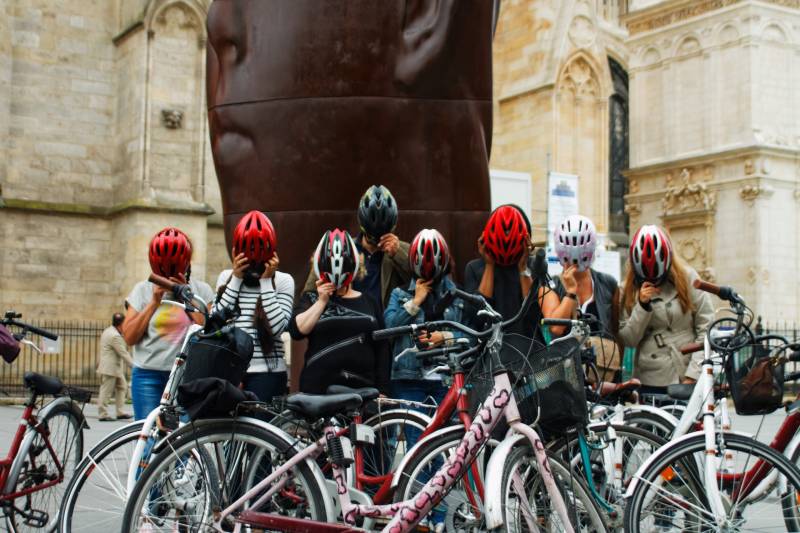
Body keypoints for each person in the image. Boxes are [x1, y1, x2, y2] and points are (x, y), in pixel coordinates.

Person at [122, 227, 215, 420]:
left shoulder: (201, 290)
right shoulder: (142, 290)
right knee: (148, 440)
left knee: (182, 440)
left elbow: (208, 330)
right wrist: (154, 302)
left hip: (187, 377)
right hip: (149, 375)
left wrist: (186, 296)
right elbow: (129, 337)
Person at [290, 229, 390, 394]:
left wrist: (383, 390)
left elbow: (382, 348)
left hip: (362, 390)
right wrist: (322, 301)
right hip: (318, 390)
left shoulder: (369, 301)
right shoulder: (311, 298)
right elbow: (296, 331)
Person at [618, 225, 714, 393]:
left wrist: (694, 373)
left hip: (688, 370)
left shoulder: (688, 278)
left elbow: (706, 326)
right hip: (652, 376)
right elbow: (628, 339)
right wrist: (642, 305)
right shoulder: (626, 289)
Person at [213, 211, 294, 403]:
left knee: (260, 431)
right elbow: (216, 323)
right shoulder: (226, 278)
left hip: (267, 374)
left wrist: (266, 282)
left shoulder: (283, 281)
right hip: (229, 370)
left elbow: (277, 329)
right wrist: (236, 279)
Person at [385, 229, 468, 408]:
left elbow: (472, 335)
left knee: (448, 435)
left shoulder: (458, 295)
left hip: (447, 379)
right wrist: (415, 301)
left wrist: (444, 337)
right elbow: (389, 327)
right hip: (409, 380)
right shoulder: (399, 294)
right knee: (415, 436)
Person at [541, 215, 622, 381]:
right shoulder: (550, 286)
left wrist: (618, 372)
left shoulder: (608, 284)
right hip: (565, 374)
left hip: (602, 372)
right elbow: (555, 327)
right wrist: (570, 292)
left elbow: (615, 330)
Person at [303, 185, 411, 309]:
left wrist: (398, 255)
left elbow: (421, 285)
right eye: (372, 234)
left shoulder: (404, 250)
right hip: (347, 321)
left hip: (386, 325)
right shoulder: (339, 248)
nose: (378, 240)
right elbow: (308, 294)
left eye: (383, 233)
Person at [464, 204, 543, 339]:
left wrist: (523, 267)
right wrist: (489, 265)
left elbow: (534, 314)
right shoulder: (475, 268)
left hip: (528, 350)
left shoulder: (534, 266)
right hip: (491, 352)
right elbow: (477, 318)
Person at [97, 312, 134, 421]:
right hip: (110, 368)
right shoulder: (115, 336)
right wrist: (134, 366)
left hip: (114, 368)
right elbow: (123, 353)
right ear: (121, 324)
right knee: (106, 391)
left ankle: (120, 412)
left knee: (122, 387)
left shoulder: (108, 330)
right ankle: (102, 414)